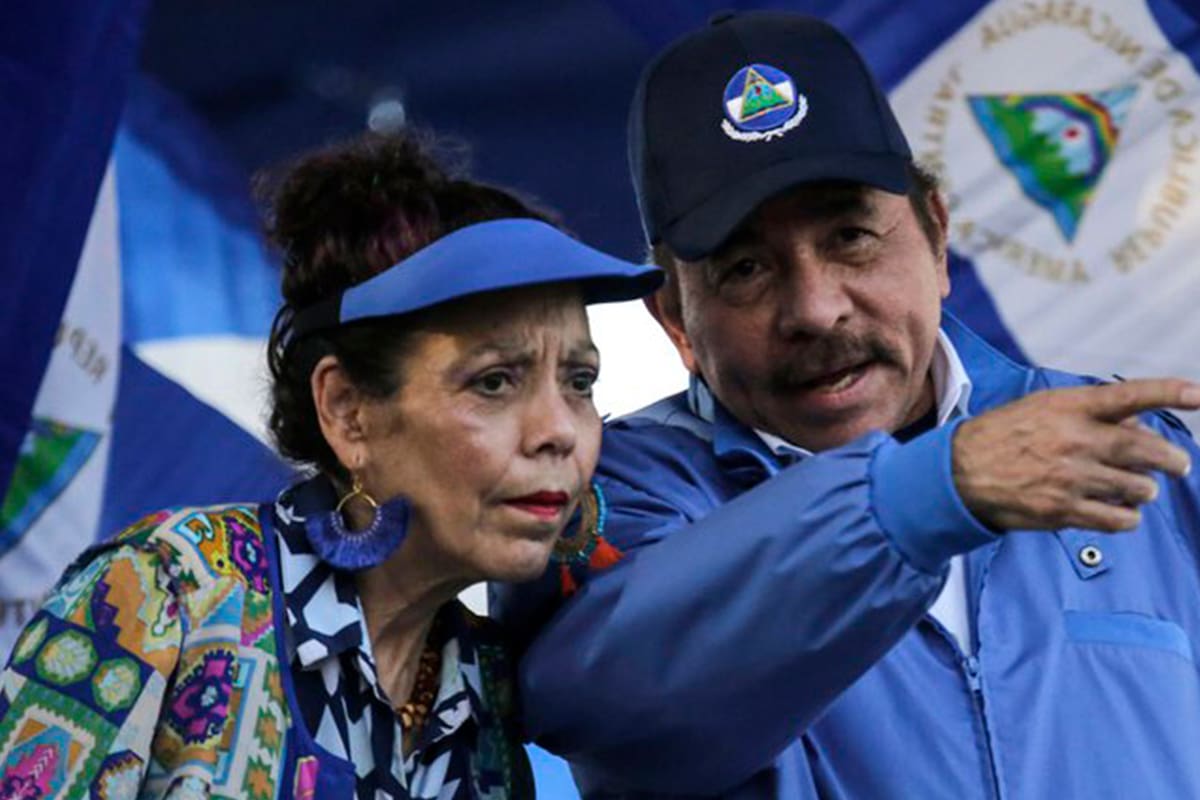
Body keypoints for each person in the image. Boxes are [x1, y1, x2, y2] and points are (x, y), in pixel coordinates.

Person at [492, 12, 1200, 799]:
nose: (817, 308)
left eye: (851, 236)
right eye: (748, 268)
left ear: (935, 238)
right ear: (674, 318)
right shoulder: (602, 491)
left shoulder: (1137, 452)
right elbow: (605, 704)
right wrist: (929, 493)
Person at [0, 132, 660, 799]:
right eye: (493, 382)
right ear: (347, 411)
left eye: (579, 381)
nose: (558, 432)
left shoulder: (487, 687)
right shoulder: (165, 594)